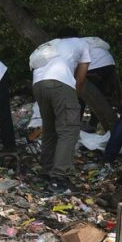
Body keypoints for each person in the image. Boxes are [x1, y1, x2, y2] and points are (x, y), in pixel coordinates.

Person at [30, 35, 91, 192]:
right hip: (60, 83)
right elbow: (81, 76)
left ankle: (46, 172)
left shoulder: (51, 44)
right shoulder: (81, 43)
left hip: (38, 84)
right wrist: (74, 97)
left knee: (50, 129)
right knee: (69, 131)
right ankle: (59, 178)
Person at [80, 35, 121, 131]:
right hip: (108, 63)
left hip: (94, 66)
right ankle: (95, 122)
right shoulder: (91, 41)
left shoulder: (73, 45)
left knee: (80, 94)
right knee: (100, 94)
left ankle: (80, 123)